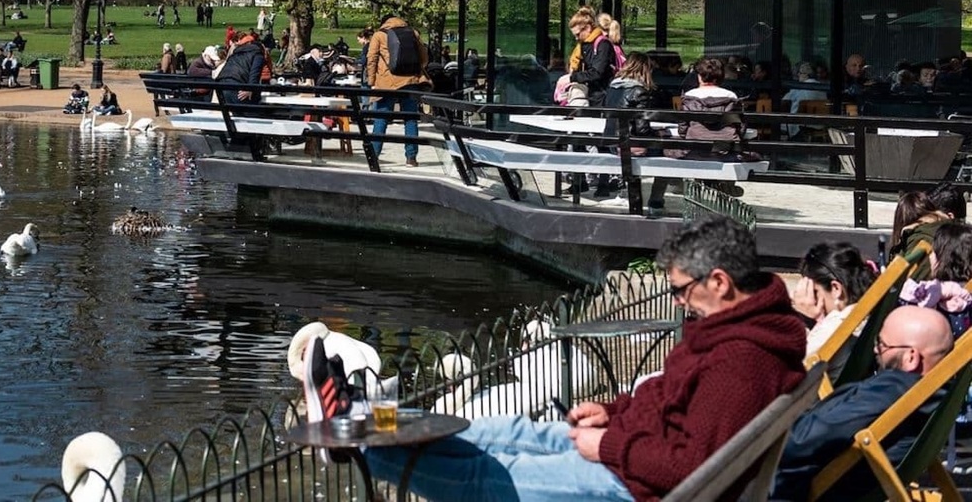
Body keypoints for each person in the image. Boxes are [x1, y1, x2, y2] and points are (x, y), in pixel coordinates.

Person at [358, 216, 807, 502]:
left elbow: (691, 467)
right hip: (628, 450)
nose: (678, 303)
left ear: (721, 282)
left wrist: (609, 445)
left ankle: (359, 447)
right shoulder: (738, 329)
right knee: (503, 430)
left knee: (490, 472)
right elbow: (674, 406)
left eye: (680, 290)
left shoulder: (741, 362)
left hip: (630, 482)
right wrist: (613, 411)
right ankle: (366, 421)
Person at [771, 306, 954, 502]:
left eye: (882, 344)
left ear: (911, 357)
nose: (876, 349)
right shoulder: (934, 395)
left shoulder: (890, 392)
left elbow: (803, 440)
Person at [791, 242, 877, 379]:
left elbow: (792, 370)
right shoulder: (863, 315)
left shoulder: (837, 324)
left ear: (836, 289)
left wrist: (802, 318)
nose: (811, 299)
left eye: (814, 292)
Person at [600, 52, 669, 204]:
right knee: (669, 152)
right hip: (628, 147)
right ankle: (656, 200)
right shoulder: (639, 91)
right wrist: (660, 133)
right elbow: (642, 130)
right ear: (645, 69)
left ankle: (627, 193)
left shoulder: (613, 87)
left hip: (611, 143)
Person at [366, 14, 430, 168]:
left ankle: (374, 155)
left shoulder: (379, 35)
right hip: (410, 81)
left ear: (384, 22)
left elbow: (371, 58)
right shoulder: (413, 33)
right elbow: (424, 56)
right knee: (410, 119)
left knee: (381, 118)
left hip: (386, 82)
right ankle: (411, 158)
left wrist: (371, 82)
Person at [899, 220, 972, 338]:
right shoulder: (966, 297)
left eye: (934, 252)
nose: (931, 256)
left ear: (940, 259)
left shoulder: (934, 294)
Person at [216, 30, 265, 103]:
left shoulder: (235, 55)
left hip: (221, 85)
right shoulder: (257, 54)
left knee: (236, 112)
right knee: (251, 112)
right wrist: (250, 89)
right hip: (237, 85)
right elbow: (255, 73)